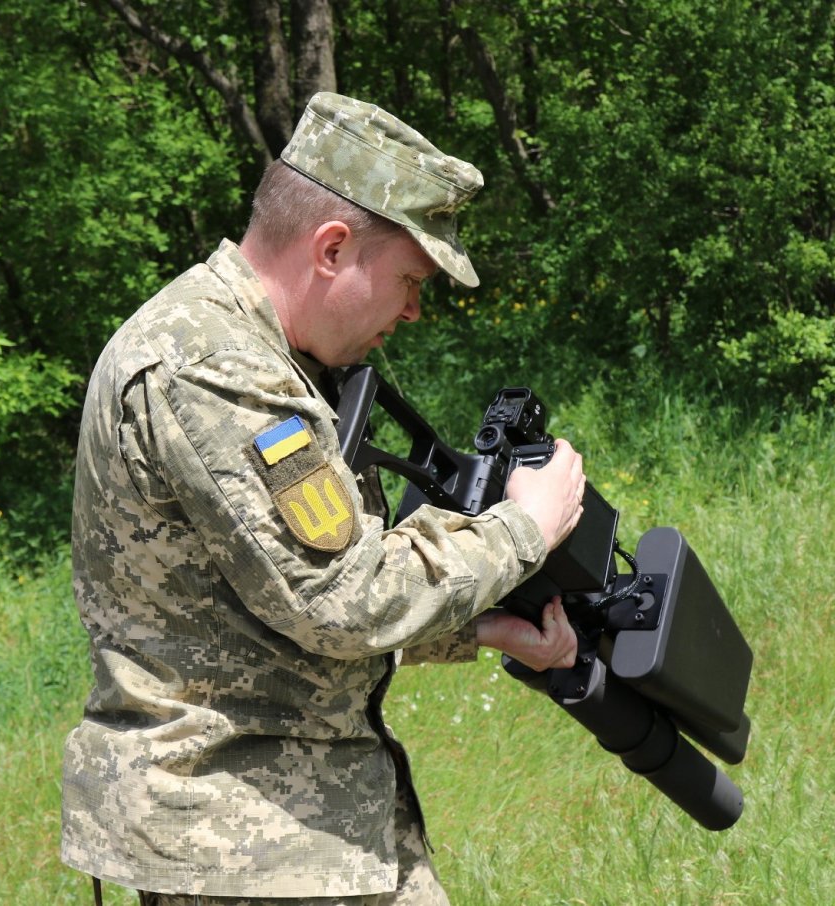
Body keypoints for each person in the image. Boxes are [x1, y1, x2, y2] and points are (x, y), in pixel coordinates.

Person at [61, 92, 586, 906]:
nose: (414, 309)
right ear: (332, 247)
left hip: (298, 832)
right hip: (244, 845)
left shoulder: (266, 357)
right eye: (410, 278)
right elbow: (337, 598)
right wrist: (525, 527)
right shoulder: (210, 365)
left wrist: (480, 629)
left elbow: (251, 613)